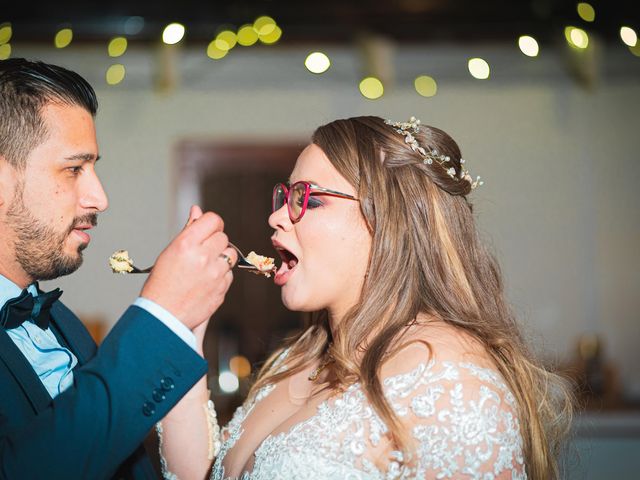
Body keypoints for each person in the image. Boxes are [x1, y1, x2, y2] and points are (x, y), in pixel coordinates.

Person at [157, 116, 574, 479]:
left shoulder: (452, 381)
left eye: (310, 199)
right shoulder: (298, 357)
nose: (276, 216)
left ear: (390, 223)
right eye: (286, 197)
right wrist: (185, 328)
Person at [0, 58, 238, 479]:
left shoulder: (62, 323)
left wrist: (184, 324)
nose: (99, 197)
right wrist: (162, 315)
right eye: (74, 169)